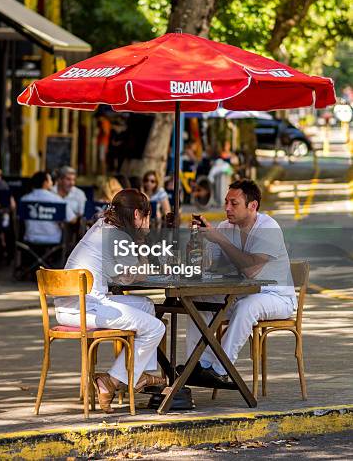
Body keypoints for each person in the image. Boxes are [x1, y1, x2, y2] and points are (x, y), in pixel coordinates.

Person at [54, 189, 166, 413]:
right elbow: (138, 274)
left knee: (146, 305)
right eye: (147, 216)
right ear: (137, 214)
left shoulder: (100, 226)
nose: (149, 221)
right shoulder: (119, 236)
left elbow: (120, 275)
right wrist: (142, 240)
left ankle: (137, 374)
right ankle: (111, 381)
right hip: (89, 308)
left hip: (72, 307)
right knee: (156, 328)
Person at [180, 179, 296, 387]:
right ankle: (198, 364)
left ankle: (221, 369)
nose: (227, 208)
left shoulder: (268, 227)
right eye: (226, 202)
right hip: (241, 293)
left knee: (247, 307)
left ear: (252, 206)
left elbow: (251, 270)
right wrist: (197, 241)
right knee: (197, 299)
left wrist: (220, 240)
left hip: (276, 297)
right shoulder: (226, 227)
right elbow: (212, 267)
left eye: (234, 203)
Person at [21, 171, 76, 246]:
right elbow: (72, 220)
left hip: (30, 239)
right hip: (53, 241)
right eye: (50, 180)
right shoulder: (57, 200)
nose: (52, 183)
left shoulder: (24, 199)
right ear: (45, 183)